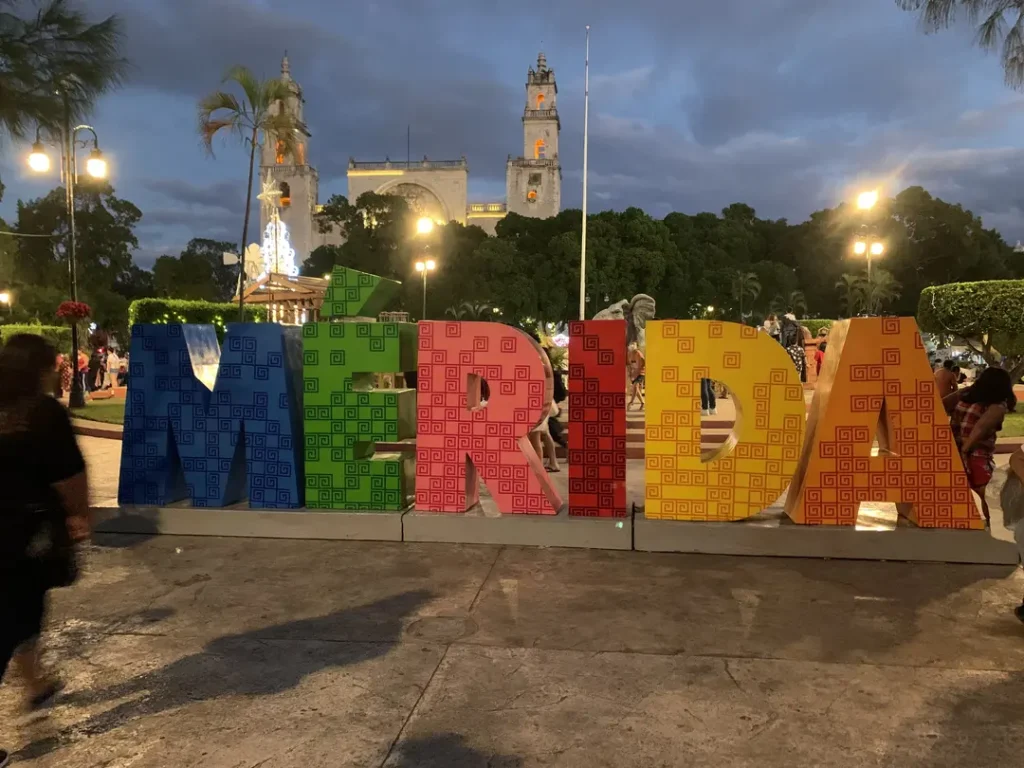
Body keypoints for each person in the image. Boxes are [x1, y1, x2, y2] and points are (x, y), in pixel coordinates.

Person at [0, 335, 91, 762]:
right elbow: (69, 475)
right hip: (23, 534)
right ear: (40, 368)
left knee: (22, 614)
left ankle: (35, 682)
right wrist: (78, 517)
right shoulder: (42, 414)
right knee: (15, 617)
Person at [945, 367, 1016, 524]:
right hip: (955, 448)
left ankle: (994, 524)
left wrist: (964, 450)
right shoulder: (967, 394)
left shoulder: (997, 406)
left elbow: (980, 428)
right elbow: (943, 403)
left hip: (976, 453)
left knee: (985, 490)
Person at [627, 344, 645, 410]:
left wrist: (637, 372)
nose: (631, 352)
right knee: (636, 389)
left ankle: (631, 402)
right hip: (634, 373)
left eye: (632, 351)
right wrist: (630, 372)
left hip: (640, 373)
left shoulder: (638, 354)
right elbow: (629, 364)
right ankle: (642, 402)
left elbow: (641, 364)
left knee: (635, 386)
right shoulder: (629, 354)